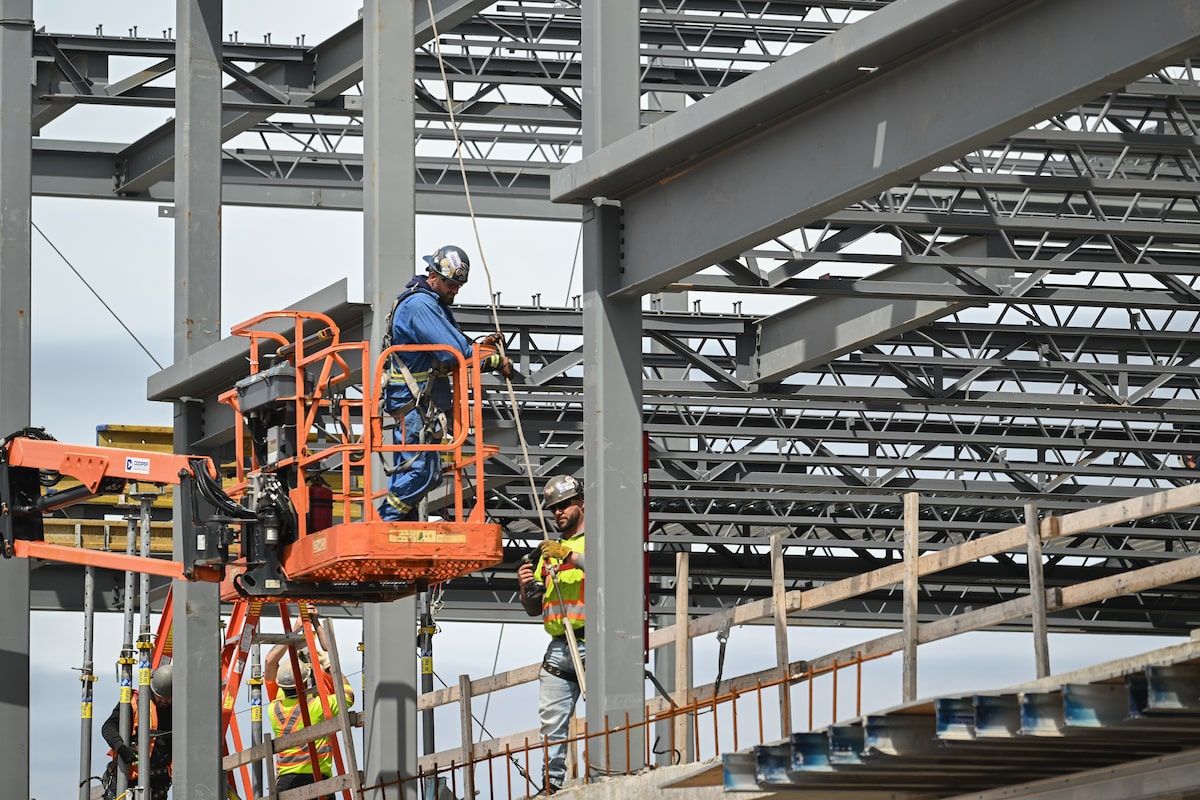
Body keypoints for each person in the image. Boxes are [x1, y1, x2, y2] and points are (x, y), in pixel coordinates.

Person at [378, 244, 512, 521]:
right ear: (433, 276)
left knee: (414, 471)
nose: (456, 291)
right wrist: (494, 360)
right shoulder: (420, 306)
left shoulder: (430, 303)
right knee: (424, 473)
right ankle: (384, 521)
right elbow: (454, 354)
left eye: (459, 285)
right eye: (452, 284)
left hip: (416, 405)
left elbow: (455, 344)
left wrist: (481, 347)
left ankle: (396, 526)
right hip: (415, 406)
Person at [517, 474, 587, 795]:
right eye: (554, 508)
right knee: (552, 720)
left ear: (581, 504)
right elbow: (534, 607)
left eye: (564, 505)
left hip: (592, 642)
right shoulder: (547, 553)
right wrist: (525, 587)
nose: (558, 512)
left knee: (604, 711)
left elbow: (610, 569)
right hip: (559, 646)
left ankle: (605, 770)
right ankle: (551, 785)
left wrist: (568, 555)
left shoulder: (596, 540)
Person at [265, 631, 355, 798]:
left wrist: (293, 634)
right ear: (306, 682)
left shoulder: (274, 708)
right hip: (317, 780)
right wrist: (329, 665)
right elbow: (348, 696)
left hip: (286, 784)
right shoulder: (316, 706)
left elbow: (270, 662)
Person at [100, 664, 173, 800]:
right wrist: (121, 748)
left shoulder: (180, 710)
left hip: (158, 786)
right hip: (126, 782)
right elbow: (108, 727)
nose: (163, 700)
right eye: (160, 696)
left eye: (168, 698)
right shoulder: (135, 703)